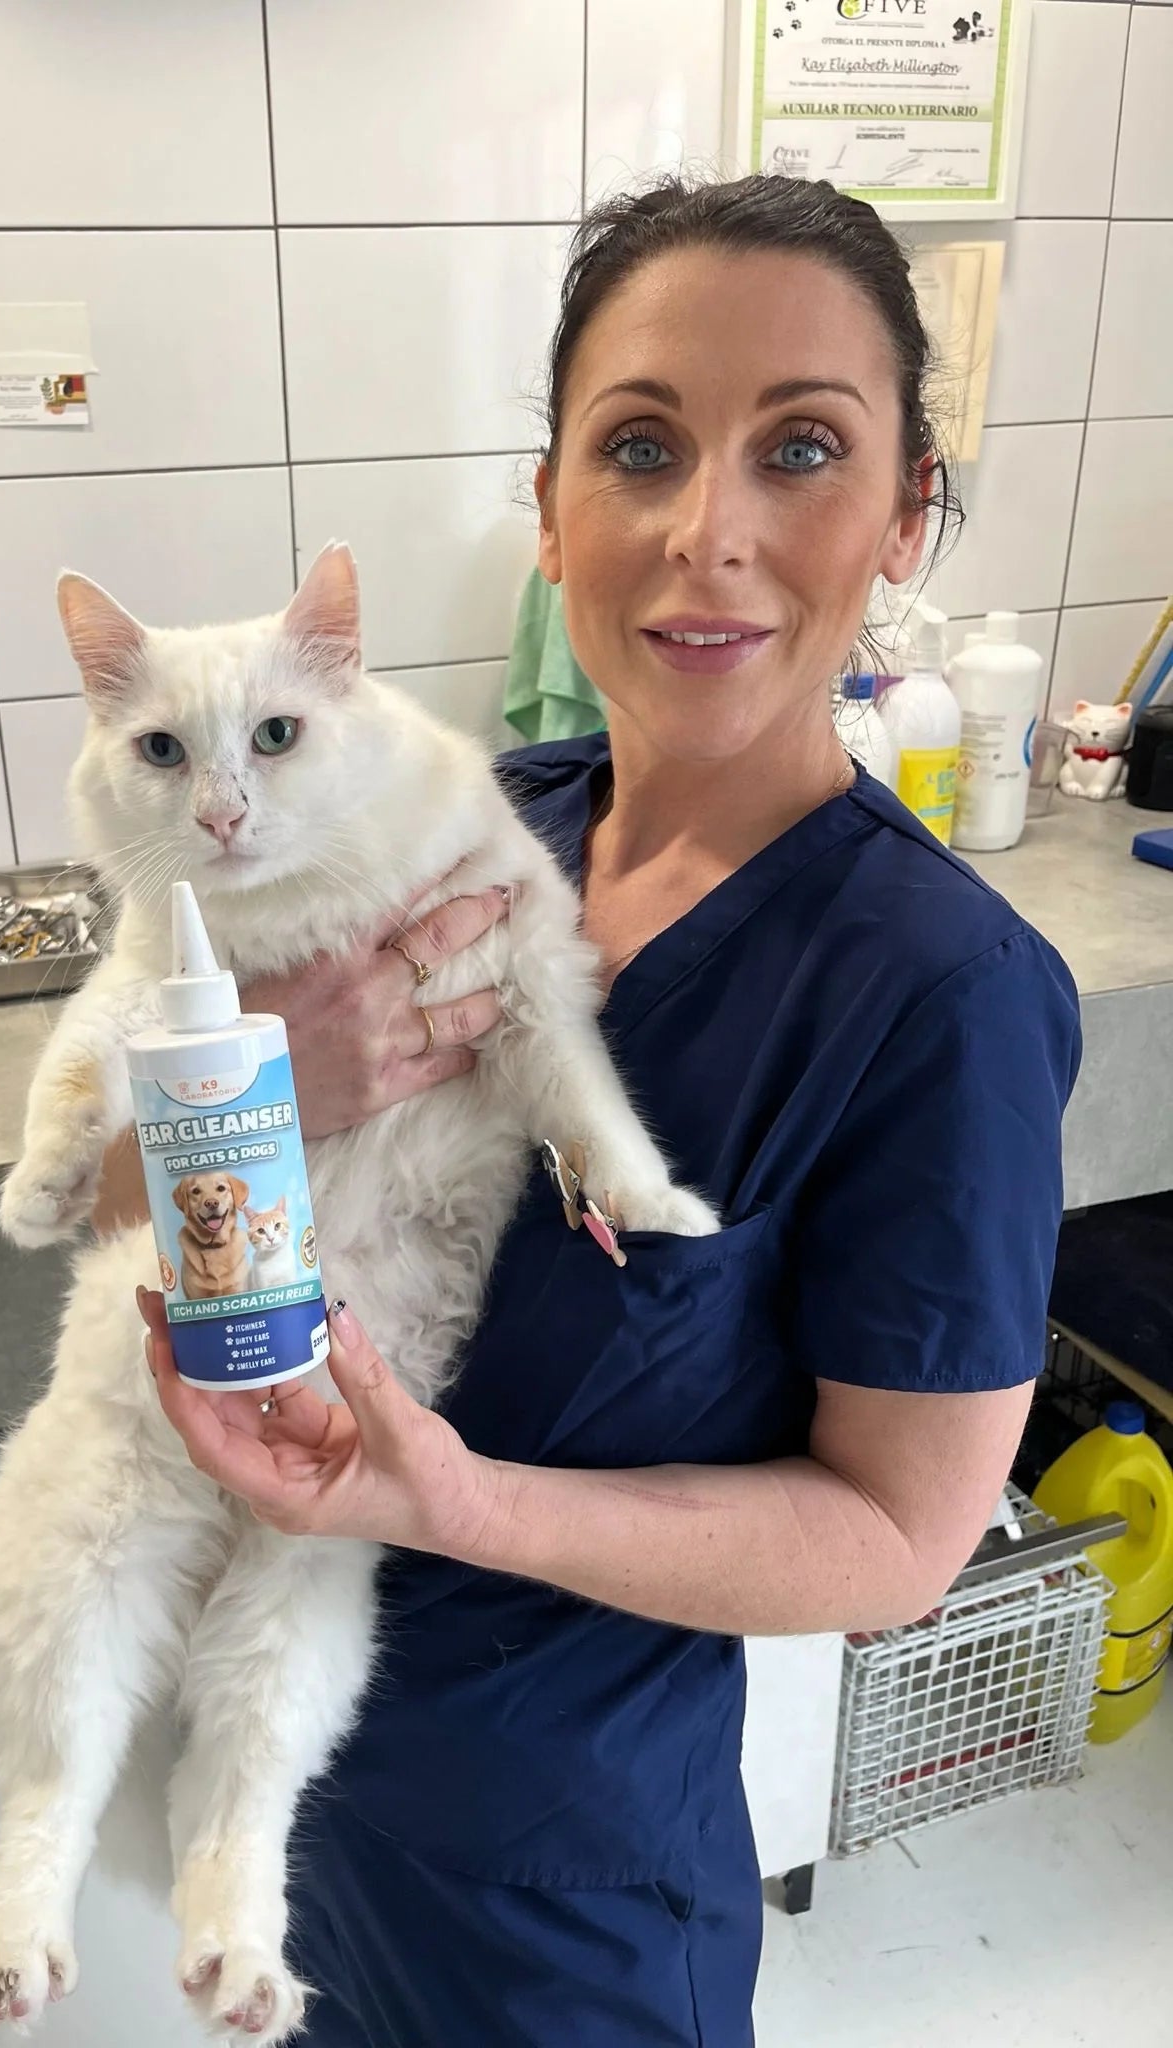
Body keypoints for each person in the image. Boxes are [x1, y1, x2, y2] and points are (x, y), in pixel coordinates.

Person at [101, 175, 1081, 2046]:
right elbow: (125, 1202)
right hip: (292, 1805)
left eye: (803, 448)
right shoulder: (461, 834)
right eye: (641, 448)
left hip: (557, 1899)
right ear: (551, 515)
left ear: (906, 515)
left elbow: (902, 1542)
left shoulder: (935, 994)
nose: (710, 533)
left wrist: (464, 1503)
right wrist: (254, 1096)